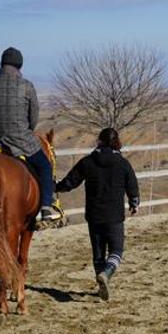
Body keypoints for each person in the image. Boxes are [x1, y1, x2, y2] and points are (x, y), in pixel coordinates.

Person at [56, 128, 140, 301]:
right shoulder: (123, 163)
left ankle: (101, 282)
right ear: (116, 142)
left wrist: (54, 187)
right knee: (116, 250)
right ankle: (107, 275)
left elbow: (70, 182)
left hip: (94, 215)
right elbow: (132, 185)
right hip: (114, 216)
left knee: (98, 254)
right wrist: (134, 203)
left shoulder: (87, 162)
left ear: (99, 141)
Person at [0, 47, 60, 222]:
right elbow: (33, 118)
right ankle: (46, 207)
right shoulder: (27, 86)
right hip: (20, 140)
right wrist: (25, 130)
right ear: (20, 66)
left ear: (1, 64)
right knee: (45, 166)